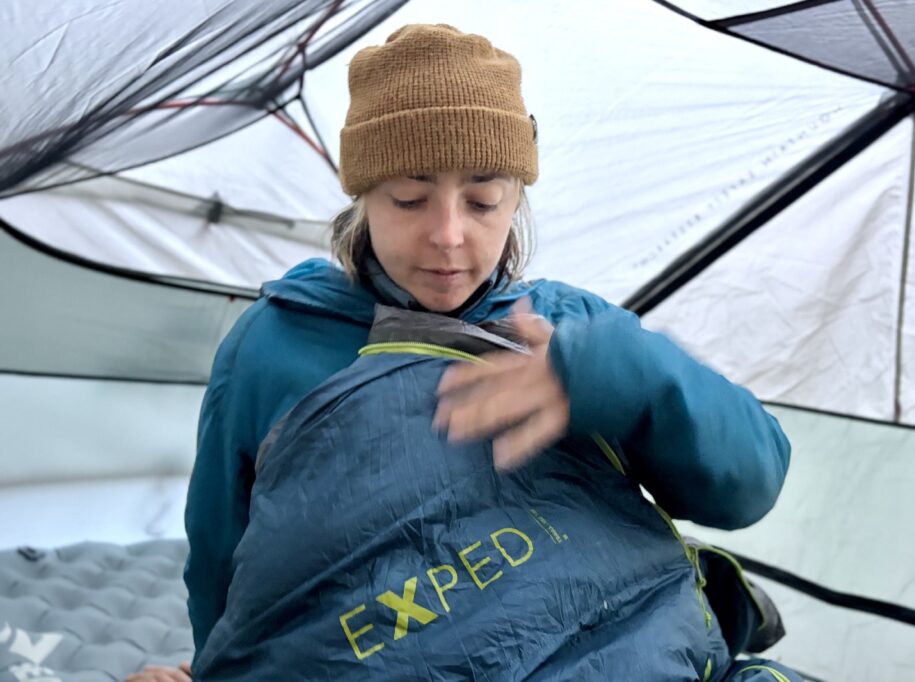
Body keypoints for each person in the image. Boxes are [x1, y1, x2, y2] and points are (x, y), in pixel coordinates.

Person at [130, 23, 798, 682]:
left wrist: (616, 376)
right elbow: (225, 563)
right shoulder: (274, 344)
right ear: (362, 197)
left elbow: (751, 484)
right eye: (409, 199)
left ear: (517, 199)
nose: (448, 235)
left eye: (482, 201)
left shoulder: (566, 327)